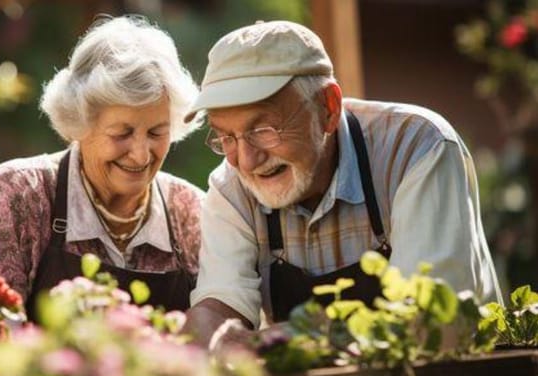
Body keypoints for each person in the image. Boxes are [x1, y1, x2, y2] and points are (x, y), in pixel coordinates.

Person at [182, 20, 503, 347]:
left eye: (263, 130)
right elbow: (220, 304)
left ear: (328, 108)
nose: (247, 161)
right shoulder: (230, 187)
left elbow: (432, 320)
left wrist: (304, 337)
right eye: (227, 137)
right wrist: (211, 333)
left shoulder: (417, 148)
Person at [0, 16, 204, 318]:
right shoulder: (23, 192)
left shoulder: (190, 210)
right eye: (121, 133)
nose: (140, 155)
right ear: (79, 123)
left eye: (156, 133)